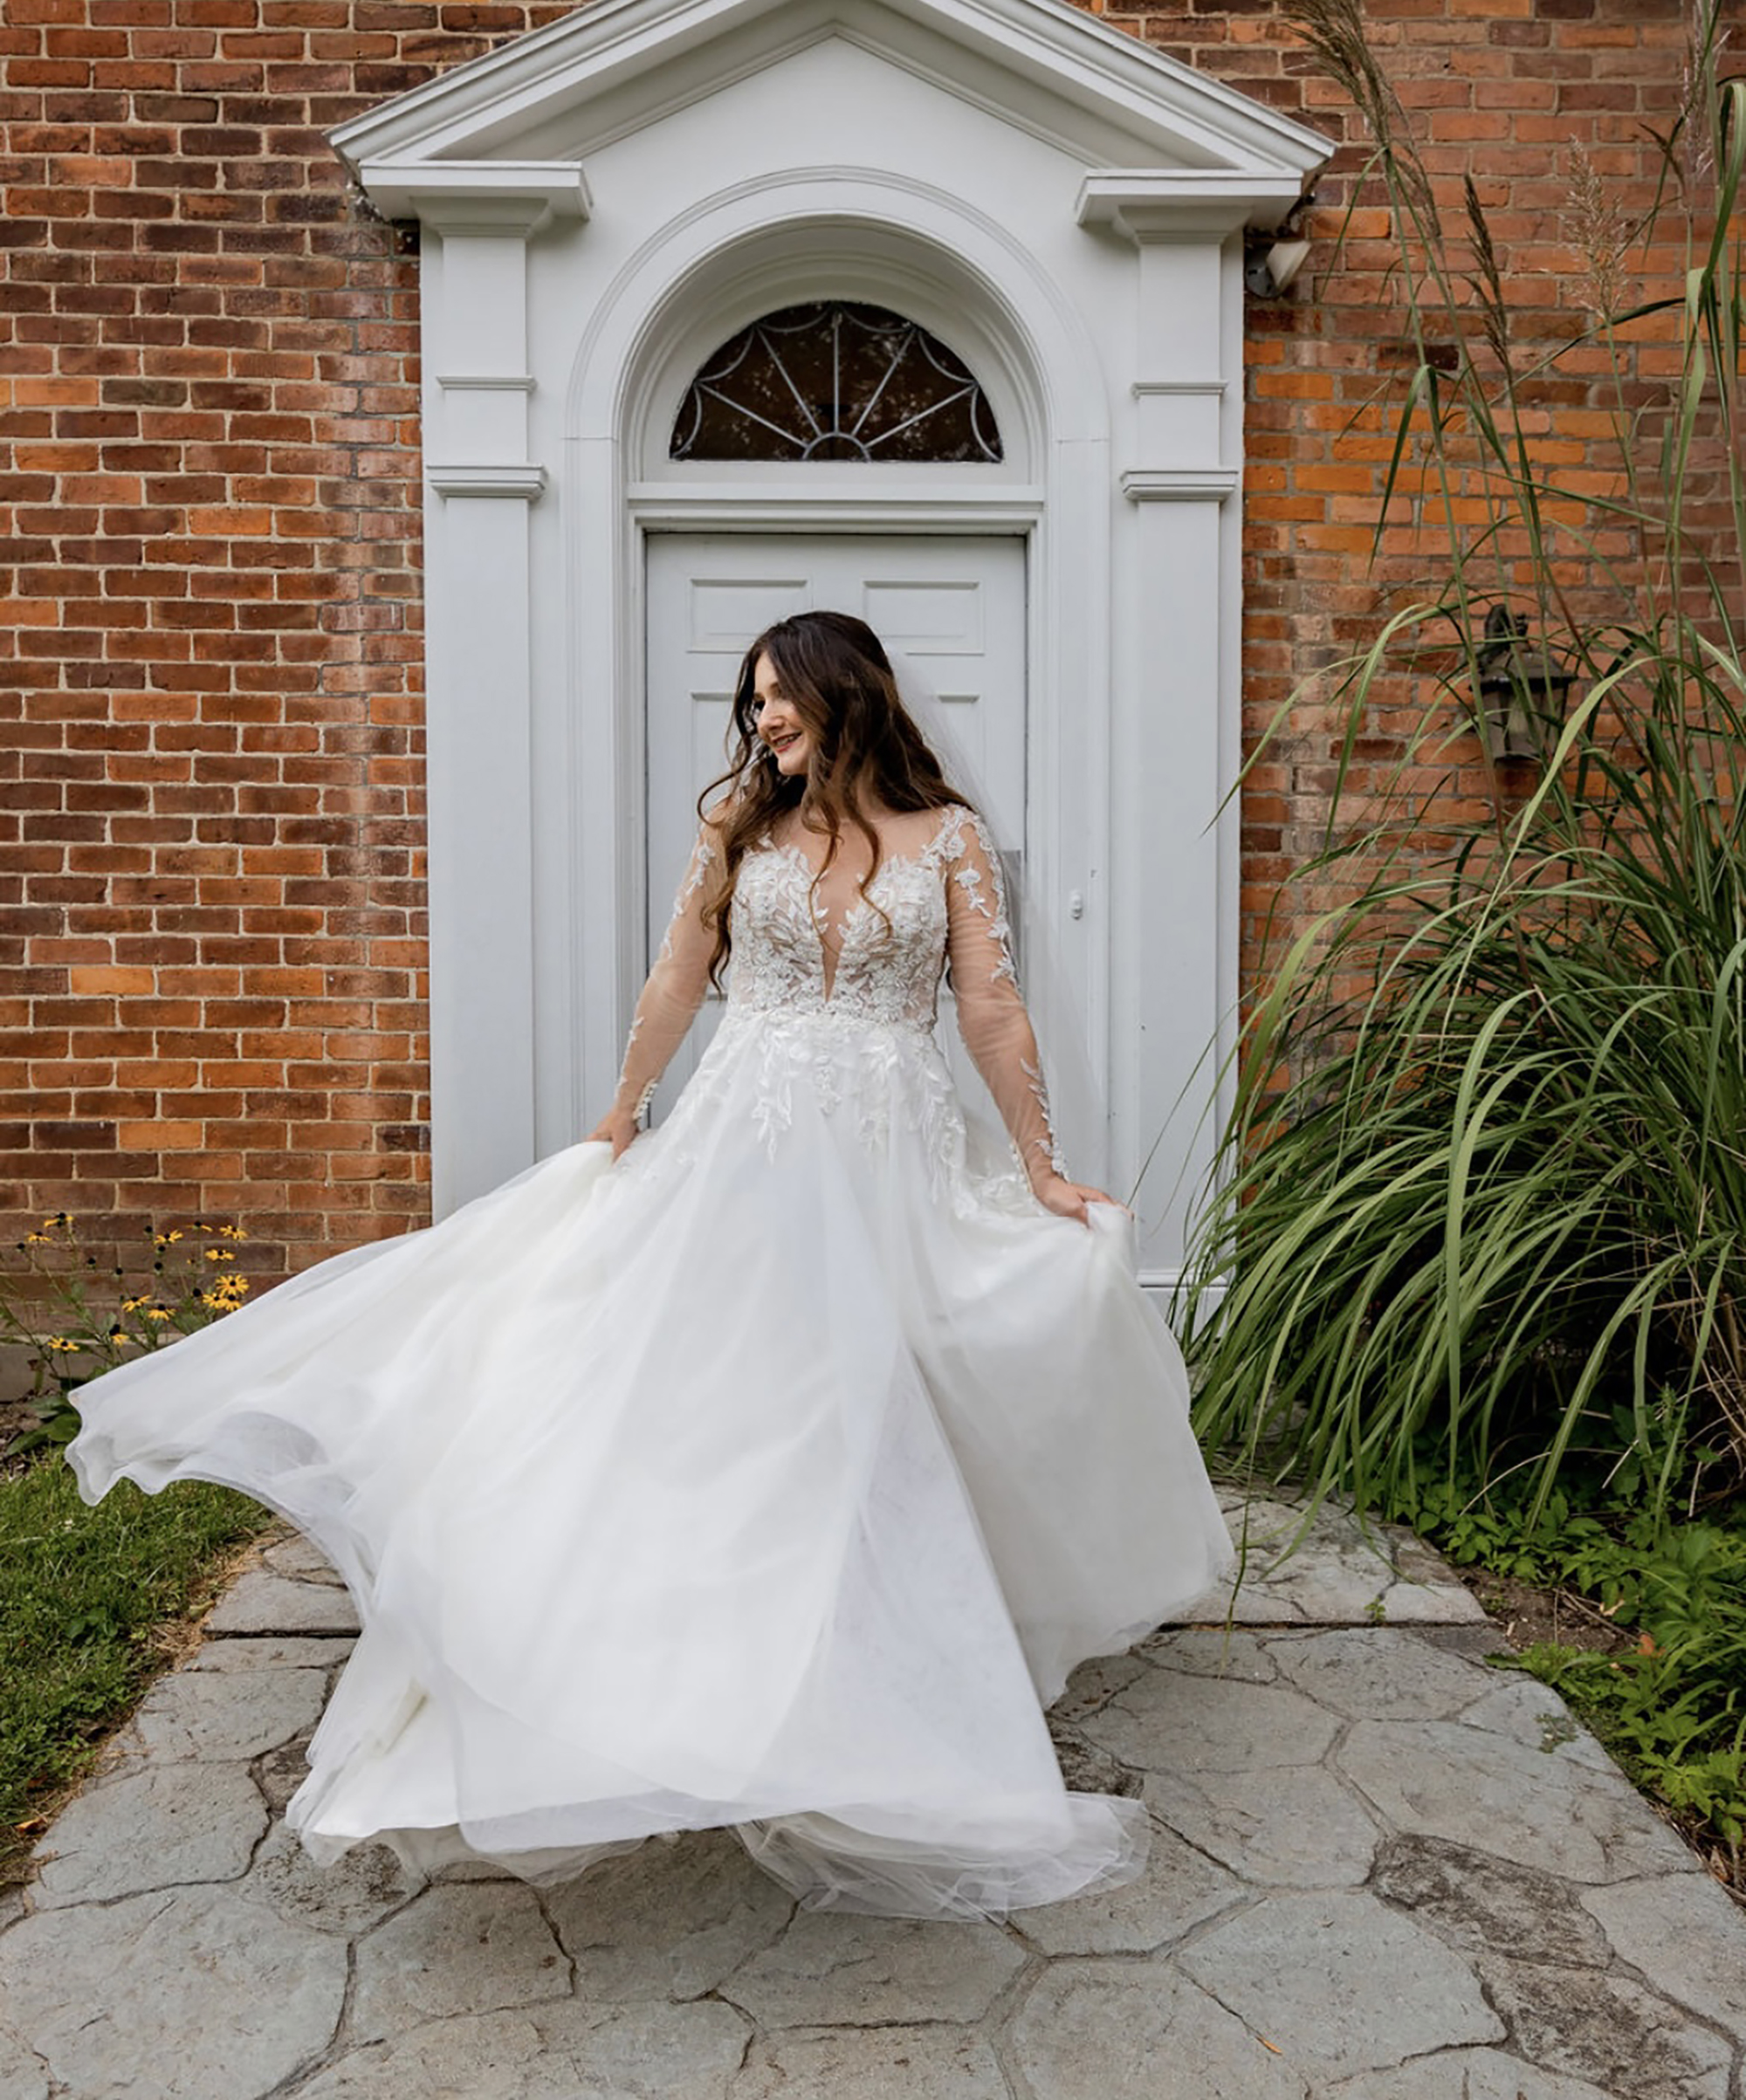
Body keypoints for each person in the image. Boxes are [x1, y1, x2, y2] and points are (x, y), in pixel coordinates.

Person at [65, 611, 1234, 1920]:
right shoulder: (741, 828)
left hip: (895, 1149)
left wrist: (1039, 1166)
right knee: (735, 1397)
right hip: (751, 1138)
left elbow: (989, 1006)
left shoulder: (949, 836)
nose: (764, 722)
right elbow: (683, 972)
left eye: (781, 699)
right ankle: (696, 1668)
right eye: (756, 705)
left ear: (847, 696)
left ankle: (879, 1652)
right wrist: (623, 1108)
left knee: (900, 1380)